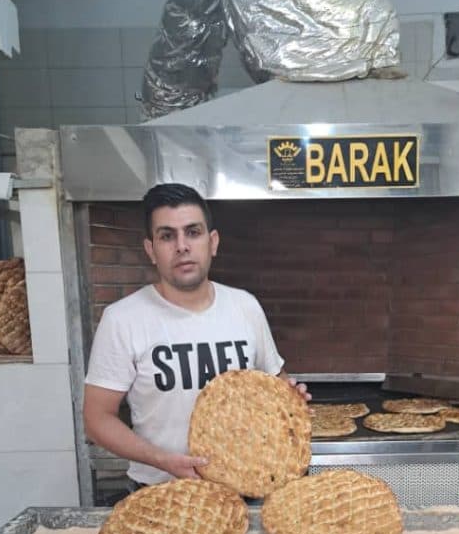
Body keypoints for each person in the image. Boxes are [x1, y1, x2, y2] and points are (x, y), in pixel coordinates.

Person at [84, 183, 309, 489]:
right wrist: (164, 460)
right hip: (162, 489)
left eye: (193, 232)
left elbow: (276, 380)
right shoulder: (123, 319)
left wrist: (290, 394)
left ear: (212, 242)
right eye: (167, 235)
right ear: (151, 249)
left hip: (244, 486)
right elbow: (97, 419)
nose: (182, 246)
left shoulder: (245, 306)